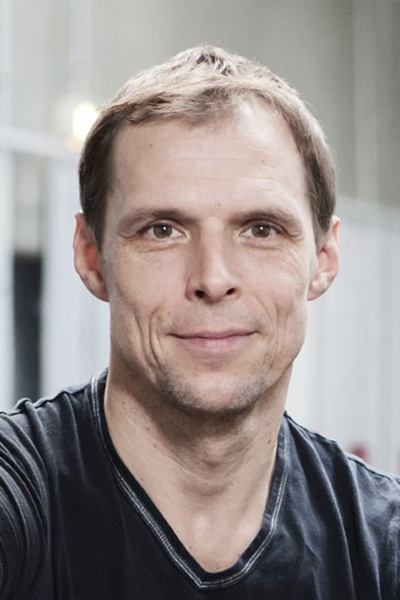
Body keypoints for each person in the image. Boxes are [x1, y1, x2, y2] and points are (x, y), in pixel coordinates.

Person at [0, 45, 399, 599]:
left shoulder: (381, 545)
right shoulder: (19, 492)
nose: (213, 278)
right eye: (162, 230)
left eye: (260, 230)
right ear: (91, 257)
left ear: (323, 259)